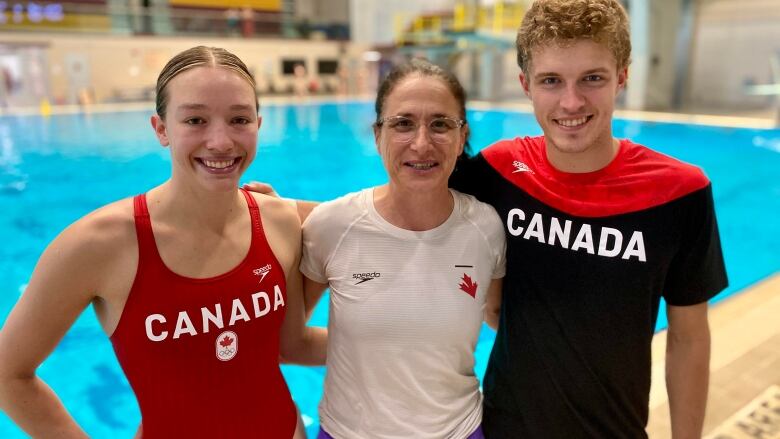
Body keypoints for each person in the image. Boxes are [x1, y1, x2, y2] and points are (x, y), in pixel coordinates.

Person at [0, 46, 324, 438]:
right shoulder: (98, 244)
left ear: (258, 123)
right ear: (161, 129)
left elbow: (291, 345)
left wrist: (401, 340)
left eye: (239, 119)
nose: (221, 141)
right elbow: (8, 375)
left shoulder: (280, 221)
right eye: (195, 120)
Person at [448, 0, 728, 437]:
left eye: (592, 78)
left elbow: (689, 337)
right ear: (526, 85)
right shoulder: (497, 171)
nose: (571, 101)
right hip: (504, 427)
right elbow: (409, 208)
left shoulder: (680, 191)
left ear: (622, 76)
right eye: (551, 81)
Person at [299, 59, 505, 438]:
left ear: (462, 138)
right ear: (377, 135)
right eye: (403, 123)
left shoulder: (487, 228)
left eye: (440, 124)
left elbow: (499, 317)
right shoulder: (332, 226)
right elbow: (289, 342)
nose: (421, 143)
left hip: (459, 430)